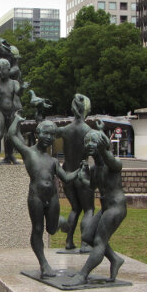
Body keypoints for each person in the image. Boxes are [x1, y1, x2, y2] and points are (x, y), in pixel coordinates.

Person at [7, 111, 85, 277]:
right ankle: (43, 263)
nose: (50, 137)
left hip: (52, 196)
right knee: (37, 229)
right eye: (46, 133)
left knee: (51, 229)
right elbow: (12, 135)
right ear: (37, 134)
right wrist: (17, 120)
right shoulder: (29, 153)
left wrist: (80, 170)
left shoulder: (53, 161)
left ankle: (59, 221)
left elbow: (67, 178)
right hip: (36, 196)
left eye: (53, 135)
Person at [64, 122, 126, 285]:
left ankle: (82, 275)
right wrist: (84, 175)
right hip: (105, 207)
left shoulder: (112, 163)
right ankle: (115, 259)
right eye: (87, 142)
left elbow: (109, 158)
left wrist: (100, 137)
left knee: (99, 241)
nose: (88, 145)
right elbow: (91, 186)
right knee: (87, 236)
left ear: (101, 144)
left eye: (93, 142)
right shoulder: (95, 168)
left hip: (116, 207)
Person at [55, 94, 94, 251]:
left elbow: (50, 132)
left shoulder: (66, 130)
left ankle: (69, 241)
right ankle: (85, 243)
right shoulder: (88, 131)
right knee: (89, 209)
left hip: (67, 174)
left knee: (75, 209)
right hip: (82, 173)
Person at [0, 58, 25, 164]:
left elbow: (19, 93)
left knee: (10, 134)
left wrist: (22, 87)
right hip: (0, 110)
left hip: (12, 111)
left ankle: (9, 156)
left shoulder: (14, 83)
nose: (0, 73)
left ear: (8, 69)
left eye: (2, 70)